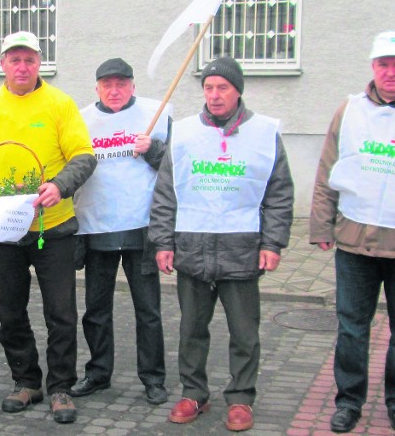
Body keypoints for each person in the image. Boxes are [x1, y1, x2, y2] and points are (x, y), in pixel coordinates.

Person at [0, 31, 96, 424]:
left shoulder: (59, 103)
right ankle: (26, 381)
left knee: (61, 313)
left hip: (55, 227)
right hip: (7, 230)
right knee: (10, 311)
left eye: (29, 60)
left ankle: (61, 387)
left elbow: (83, 155)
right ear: (2, 64)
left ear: (39, 63)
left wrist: (60, 185)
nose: (22, 67)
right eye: (14, 60)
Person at [149, 56, 294, 432]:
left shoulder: (263, 134)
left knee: (244, 332)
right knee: (191, 329)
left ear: (237, 91)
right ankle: (194, 392)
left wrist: (273, 243)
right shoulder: (182, 134)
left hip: (242, 248)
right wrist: (163, 241)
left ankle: (242, 397)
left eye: (222, 88)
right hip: (191, 247)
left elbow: (279, 193)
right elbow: (166, 193)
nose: (214, 95)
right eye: (209, 88)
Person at [310, 30, 395, 434]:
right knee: (352, 327)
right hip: (354, 239)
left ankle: (394, 400)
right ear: (372, 67)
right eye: (383, 64)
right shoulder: (350, 110)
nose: (390, 72)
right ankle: (349, 401)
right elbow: (328, 169)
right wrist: (320, 224)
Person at [71, 58, 168, 405]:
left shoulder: (156, 114)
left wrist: (153, 150)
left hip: (142, 227)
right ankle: (98, 373)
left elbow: (174, 167)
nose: (114, 91)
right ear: (96, 87)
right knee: (96, 308)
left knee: (148, 309)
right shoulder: (81, 120)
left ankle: (153, 378)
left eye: (121, 84)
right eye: (107, 85)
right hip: (96, 227)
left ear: (133, 86)